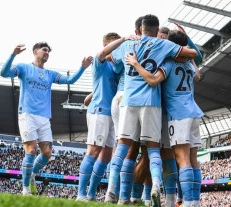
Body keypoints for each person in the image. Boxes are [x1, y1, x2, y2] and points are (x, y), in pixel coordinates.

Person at [105, 14, 198, 206]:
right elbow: (196, 65)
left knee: (128, 148)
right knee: (163, 153)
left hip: (131, 100)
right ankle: (169, 195)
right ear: (156, 32)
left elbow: (106, 57)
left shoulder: (130, 46)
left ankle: (117, 193)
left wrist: (126, 45)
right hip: (166, 108)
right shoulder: (168, 51)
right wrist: (185, 41)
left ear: (140, 29)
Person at [0, 42, 93, 196]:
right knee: (31, 150)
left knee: (47, 153)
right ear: (35, 51)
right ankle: (25, 189)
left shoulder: (50, 74)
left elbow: (70, 81)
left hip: (44, 117)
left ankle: (31, 174)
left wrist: (82, 67)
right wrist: (13, 55)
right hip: (27, 114)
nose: (47, 53)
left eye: (48, 51)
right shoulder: (23, 68)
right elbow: (4, 73)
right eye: (44, 50)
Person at [126, 30, 203, 207]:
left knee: (181, 158)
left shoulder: (168, 64)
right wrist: (189, 51)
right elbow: (198, 76)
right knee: (193, 160)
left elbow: (153, 80)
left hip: (177, 114)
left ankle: (187, 202)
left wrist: (136, 64)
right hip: (194, 113)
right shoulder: (190, 66)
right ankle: (195, 201)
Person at [77, 33, 136, 201]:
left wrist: (91, 93)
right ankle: (80, 194)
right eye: (114, 46)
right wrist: (124, 40)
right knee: (94, 151)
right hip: (99, 111)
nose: (118, 49)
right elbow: (102, 55)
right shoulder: (100, 62)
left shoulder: (118, 67)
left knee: (106, 156)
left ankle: (91, 194)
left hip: (113, 113)